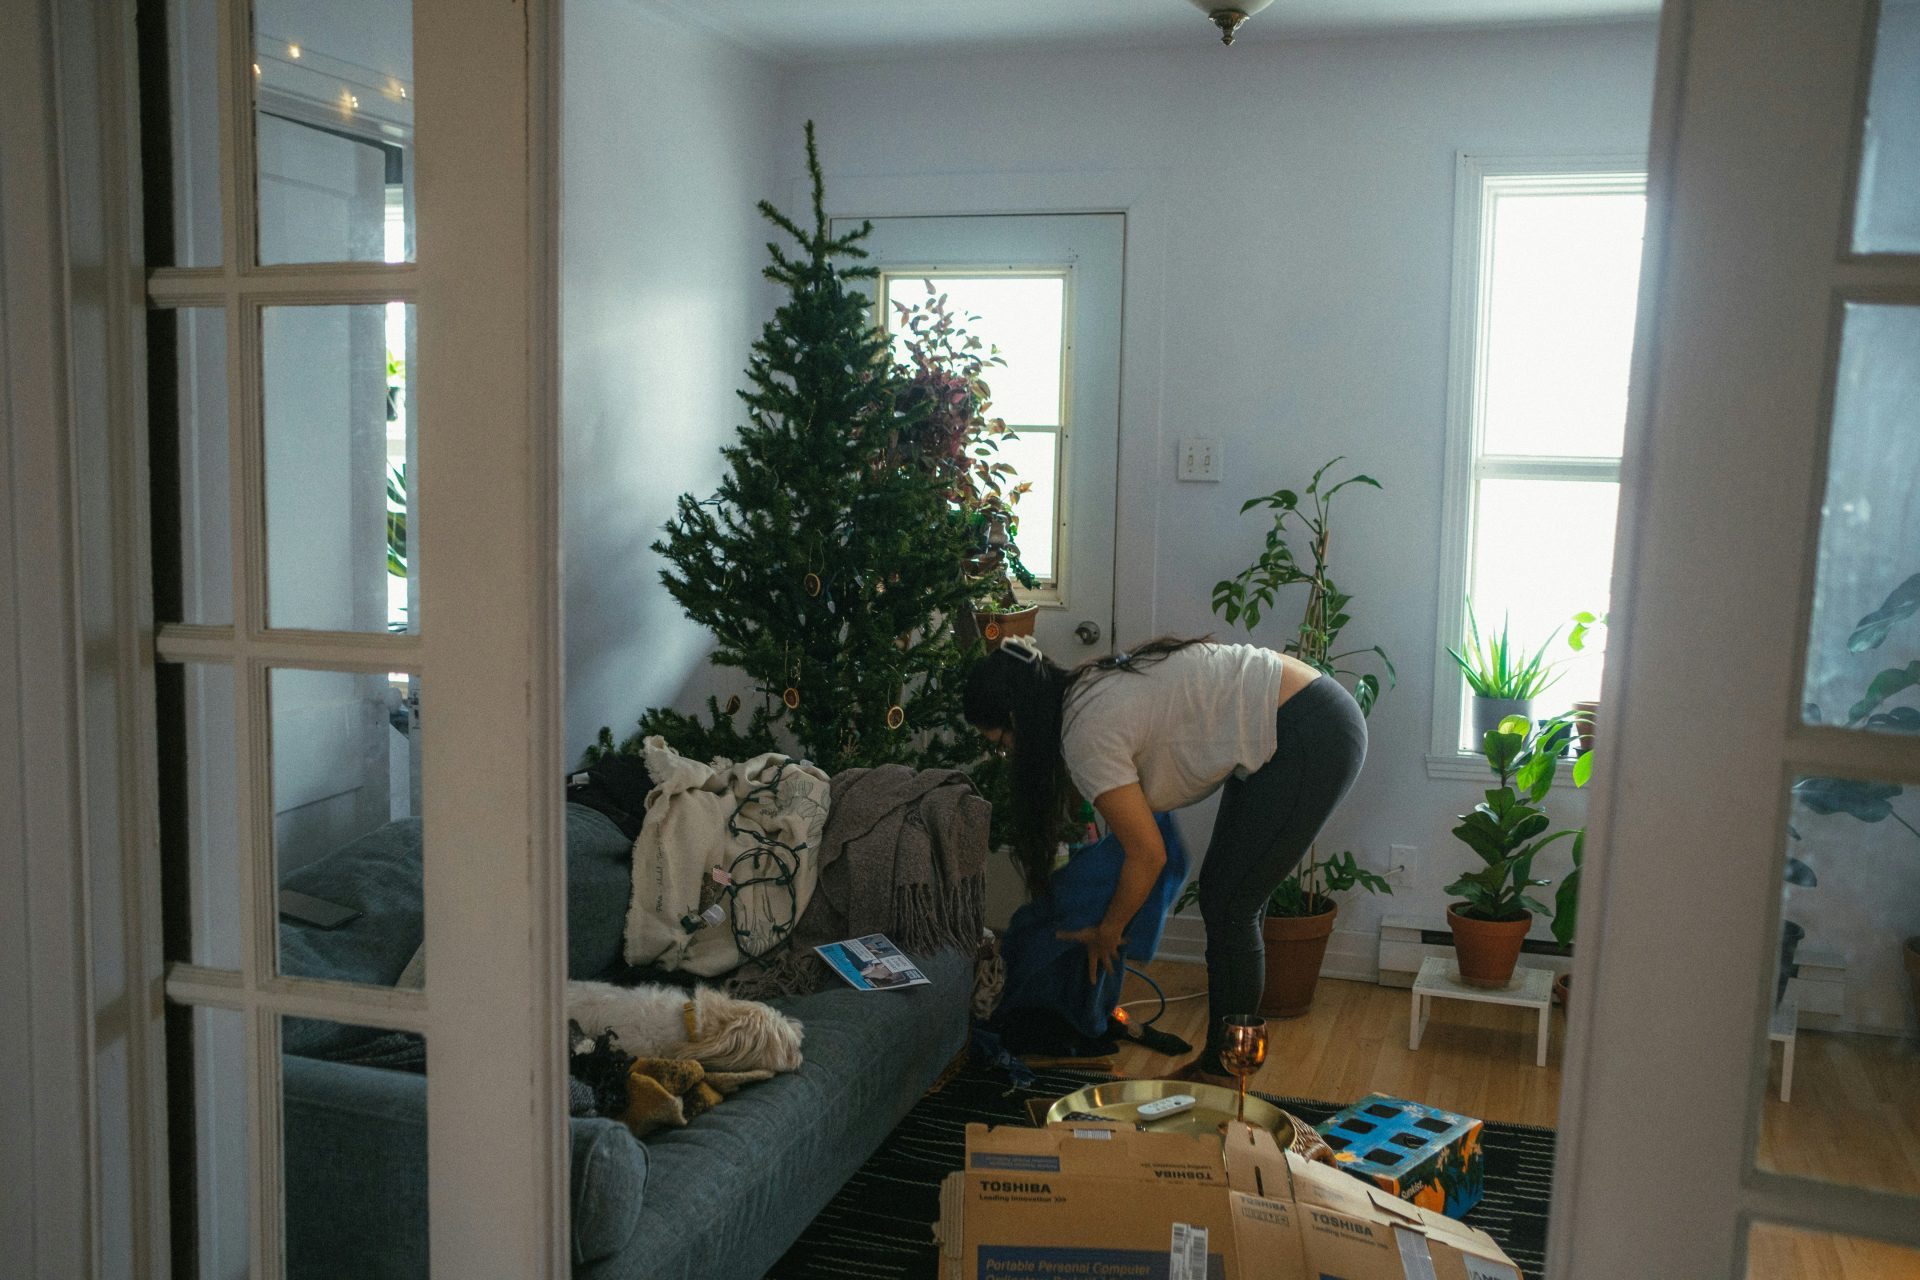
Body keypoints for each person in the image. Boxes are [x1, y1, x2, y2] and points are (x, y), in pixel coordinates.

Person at [963, 635, 1367, 1083]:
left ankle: (1223, 1074)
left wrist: (1109, 930)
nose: (1008, 754)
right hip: (1296, 714)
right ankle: (1220, 1063)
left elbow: (1148, 855)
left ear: (1016, 717)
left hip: (1310, 730)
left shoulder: (1085, 732)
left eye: (1001, 741)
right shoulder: (1083, 689)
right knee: (1230, 897)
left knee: (1231, 906)